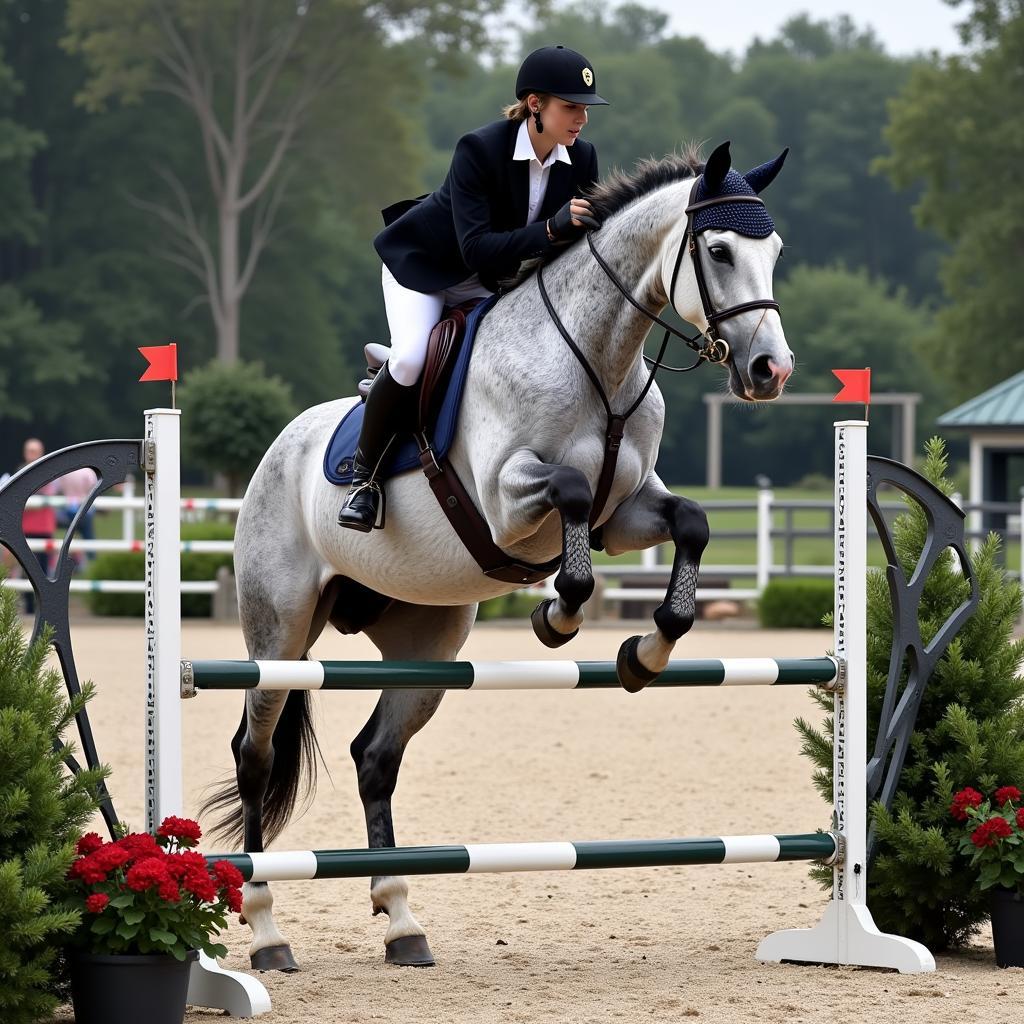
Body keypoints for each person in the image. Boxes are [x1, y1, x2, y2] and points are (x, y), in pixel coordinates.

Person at [337, 44, 608, 532]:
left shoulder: (581, 158)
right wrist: (551, 228)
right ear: (534, 105)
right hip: (426, 270)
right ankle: (365, 480)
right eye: (570, 107)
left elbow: (572, 248)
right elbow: (478, 247)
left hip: (491, 281)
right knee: (410, 360)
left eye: (585, 108)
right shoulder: (480, 150)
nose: (581, 119)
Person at [19, 438, 58, 613]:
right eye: (30, 451)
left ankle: (43, 607)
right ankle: (28, 606)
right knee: (25, 569)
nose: (32, 454)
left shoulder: (48, 472)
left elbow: (50, 492)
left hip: (44, 527)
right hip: (25, 528)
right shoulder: (21, 472)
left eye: (35, 451)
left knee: (43, 570)